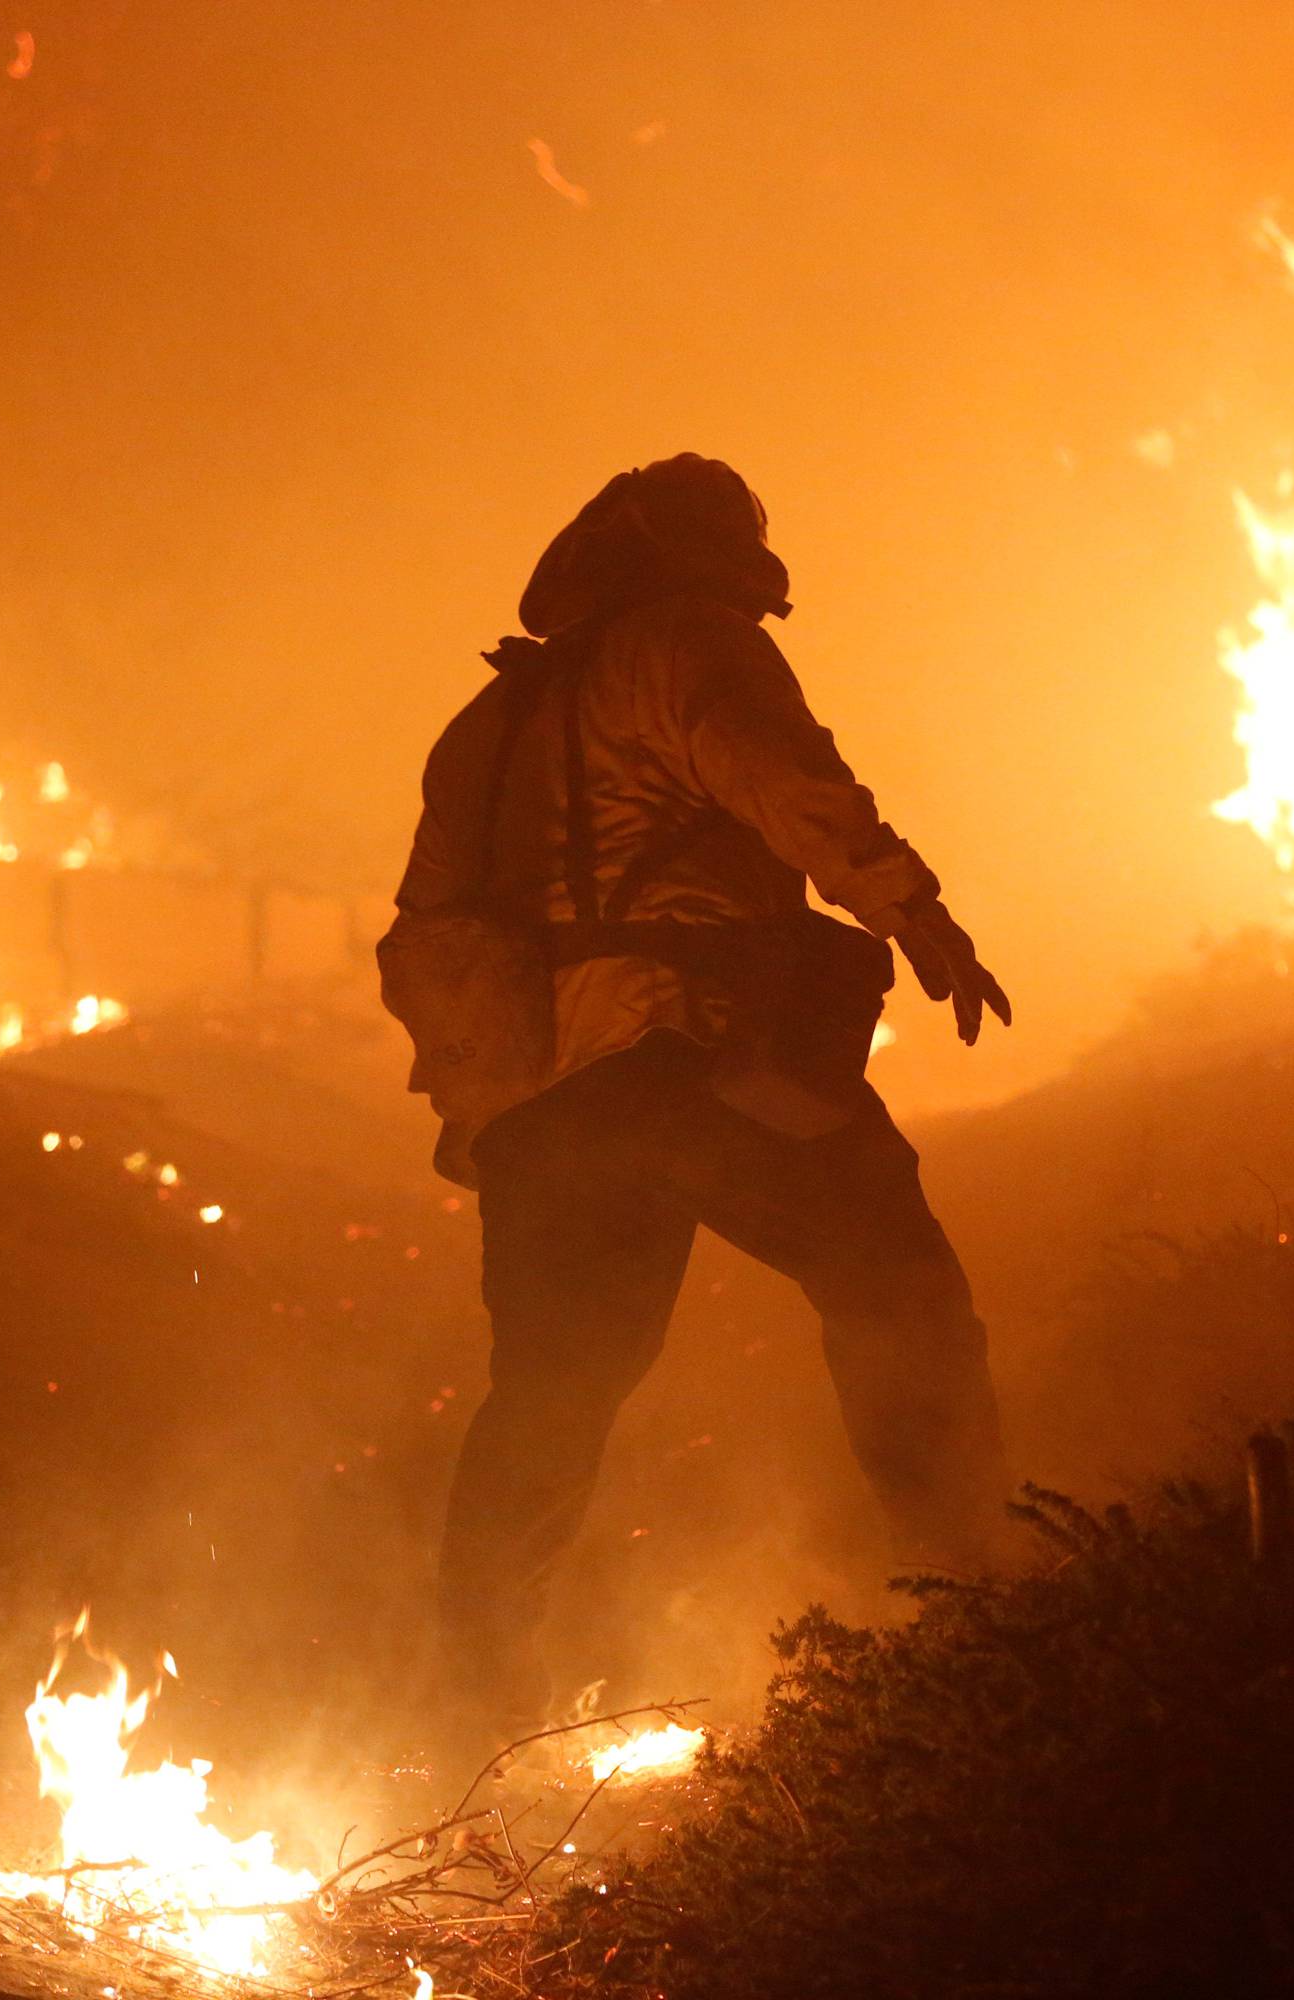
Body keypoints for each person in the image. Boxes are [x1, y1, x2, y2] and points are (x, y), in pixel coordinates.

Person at [379, 453, 1013, 1751]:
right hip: (700, 1064)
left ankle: (469, 1713)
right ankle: (983, 1626)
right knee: (895, 1280)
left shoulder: (486, 725)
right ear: (702, 556)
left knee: (550, 1398)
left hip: (546, 1120)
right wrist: (914, 911)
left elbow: (426, 935)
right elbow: (787, 784)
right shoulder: (688, 644)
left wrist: (492, 1111)